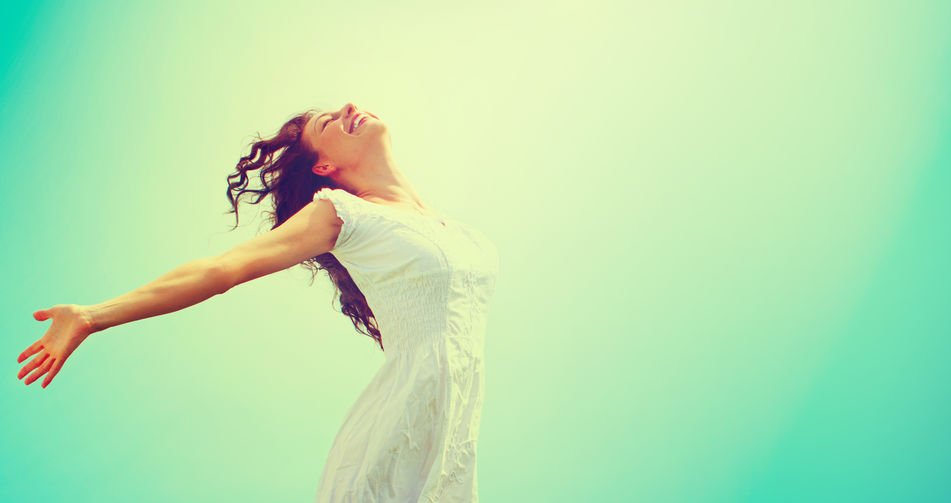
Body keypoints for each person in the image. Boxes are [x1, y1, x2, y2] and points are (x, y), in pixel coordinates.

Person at [16, 102, 500, 502]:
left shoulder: (458, 231)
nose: (349, 107)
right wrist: (92, 315)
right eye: (328, 122)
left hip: (452, 447)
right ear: (324, 167)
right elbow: (221, 270)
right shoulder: (342, 213)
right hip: (392, 441)